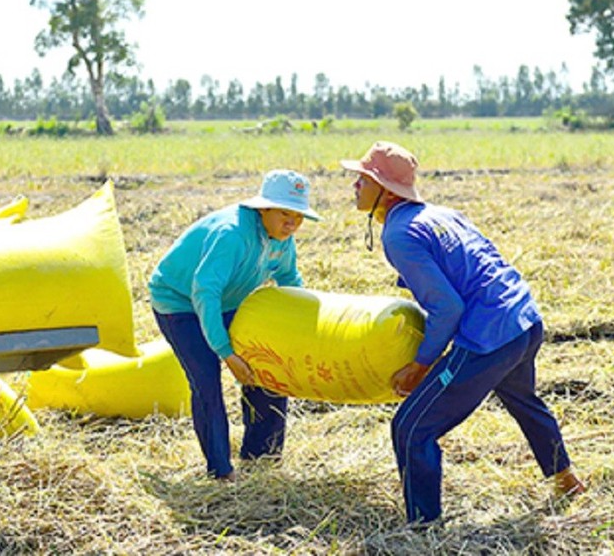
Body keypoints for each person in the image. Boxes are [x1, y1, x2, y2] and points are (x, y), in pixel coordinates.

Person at [340, 141, 585, 525]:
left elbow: (448, 307)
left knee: (410, 427)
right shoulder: (441, 214)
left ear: (385, 192)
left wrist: (422, 364)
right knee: (523, 400)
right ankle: (566, 479)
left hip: (488, 336)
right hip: (523, 318)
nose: (355, 185)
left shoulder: (400, 234)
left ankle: (424, 528)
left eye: (363, 179)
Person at [149, 169, 321, 481]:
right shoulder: (232, 235)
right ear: (263, 208)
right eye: (285, 213)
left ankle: (262, 456)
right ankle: (221, 472)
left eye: (299, 216)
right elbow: (205, 291)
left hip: (229, 300)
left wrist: (310, 325)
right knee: (206, 380)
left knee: (266, 366)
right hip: (180, 302)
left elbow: (290, 282)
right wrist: (227, 352)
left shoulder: (282, 239)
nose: (292, 223)